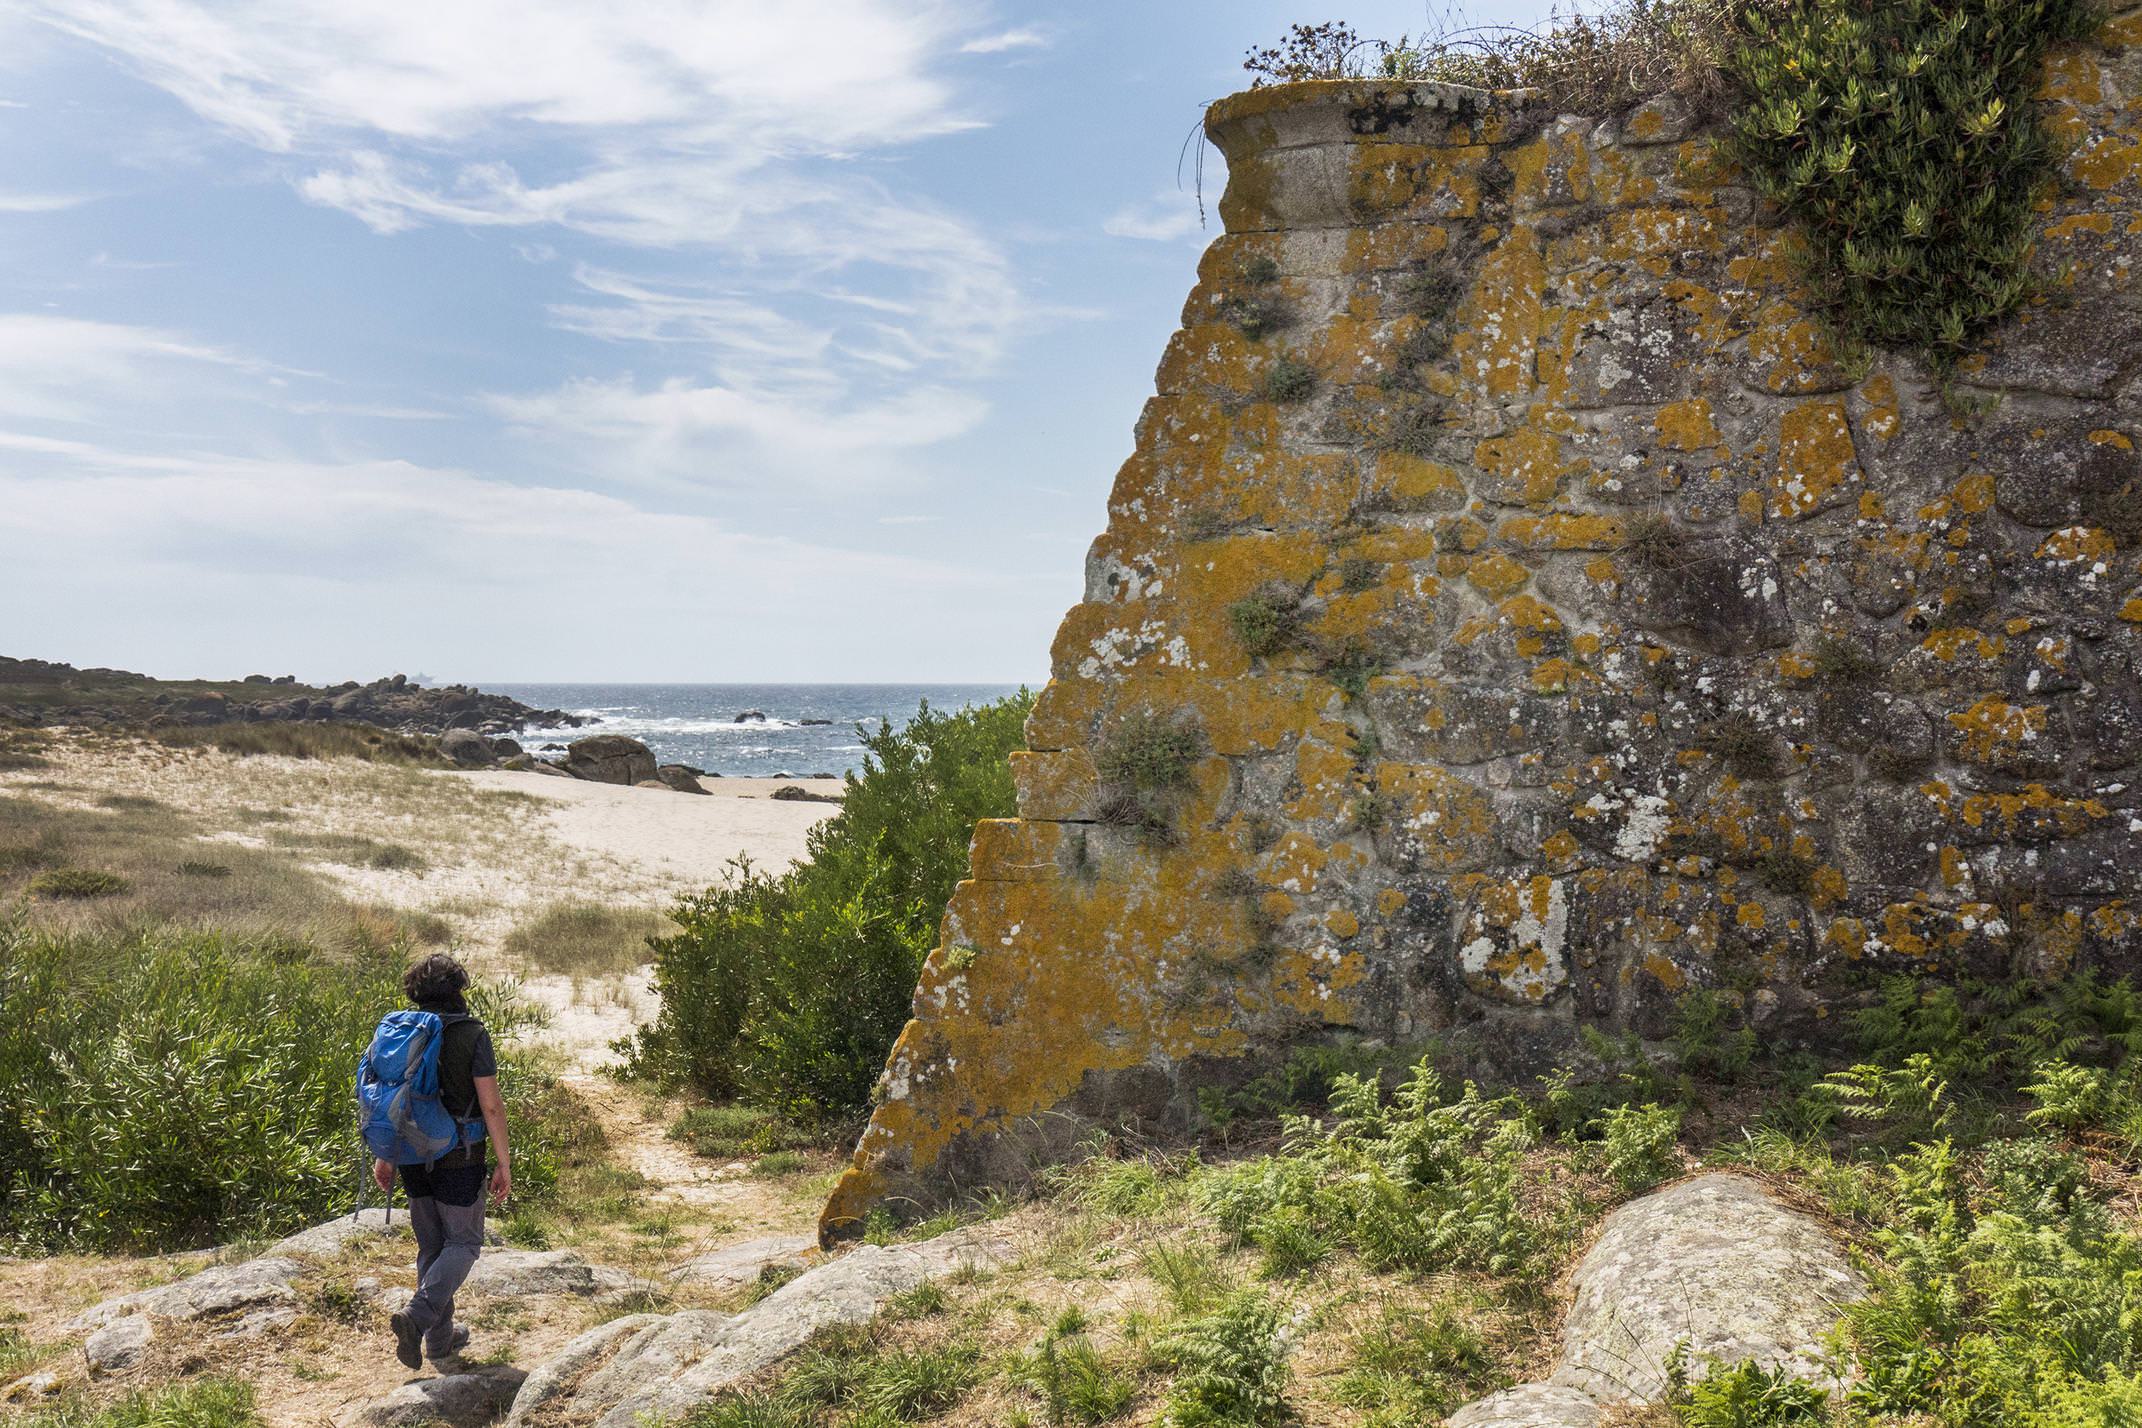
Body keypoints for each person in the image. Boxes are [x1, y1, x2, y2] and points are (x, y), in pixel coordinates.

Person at [372, 953, 512, 1370]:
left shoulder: (399, 1031)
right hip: (460, 1155)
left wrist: (385, 1156)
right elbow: (490, 1106)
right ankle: (417, 1318)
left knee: (431, 1246)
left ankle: (438, 1342)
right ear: (458, 990)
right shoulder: (470, 1034)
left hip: (412, 1153)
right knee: (464, 1244)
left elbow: (387, 1098)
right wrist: (504, 1162)